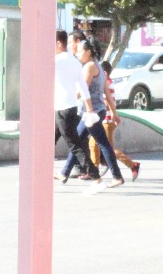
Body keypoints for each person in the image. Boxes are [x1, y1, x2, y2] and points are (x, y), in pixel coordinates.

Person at [68, 40, 125, 188]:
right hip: (97, 111)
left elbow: (82, 91)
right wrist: (114, 113)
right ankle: (64, 172)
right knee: (77, 141)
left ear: (88, 52)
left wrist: (67, 100)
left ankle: (115, 176)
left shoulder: (89, 67)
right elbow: (107, 93)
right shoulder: (99, 67)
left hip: (90, 113)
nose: (77, 54)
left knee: (98, 143)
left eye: (80, 51)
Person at [53, 28, 95, 183]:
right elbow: (83, 88)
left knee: (75, 145)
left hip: (62, 109)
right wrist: (90, 109)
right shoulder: (75, 62)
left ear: (58, 43)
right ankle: (35, 174)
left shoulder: (57, 61)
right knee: (49, 141)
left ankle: (96, 177)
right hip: (70, 108)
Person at [91, 59, 141, 181]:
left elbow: (108, 101)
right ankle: (94, 170)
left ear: (105, 73)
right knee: (94, 145)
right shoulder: (106, 83)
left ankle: (132, 165)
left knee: (104, 147)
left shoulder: (106, 84)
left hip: (106, 120)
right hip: (104, 120)